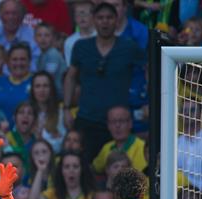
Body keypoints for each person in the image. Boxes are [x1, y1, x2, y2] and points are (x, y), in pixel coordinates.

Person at [63, 2, 144, 164]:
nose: (105, 22)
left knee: (119, 169)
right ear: (93, 20)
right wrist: (65, 108)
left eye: (109, 18)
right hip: (87, 118)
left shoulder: (129, 47)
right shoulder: (81, 47)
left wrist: (148, 102)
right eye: (100, 18)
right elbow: (70, 77)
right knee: (82, 167)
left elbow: (148, 71)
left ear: (117, 19)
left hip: (117, 123)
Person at [92, 106, 147, 175]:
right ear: (108, 125)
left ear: (130, 123)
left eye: (121, 121)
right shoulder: (106, 148)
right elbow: (94, 169)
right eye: (113, 122)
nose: (117, 125)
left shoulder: (142, 147)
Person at [0, 43, 33, 130]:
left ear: (30, 61)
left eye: (23, 59)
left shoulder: (37, 83)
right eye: (14, 59)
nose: (18, 63)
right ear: (7, 62)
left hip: (26, 136)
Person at [33, 23, 67, 96]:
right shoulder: (41, 55)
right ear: (34, 38)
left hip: (58, 95)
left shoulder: (53, 54)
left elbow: (48, 77)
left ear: (53, 38)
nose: (43, 39)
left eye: (47, 35)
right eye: (39, 35)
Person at [63, 0, 95, 65]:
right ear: (74, 18)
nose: (82, 17)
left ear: (93, 15)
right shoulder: (69, 42)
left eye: (85, 13)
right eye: (78, 14)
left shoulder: (102, 36)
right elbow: (70, 66)